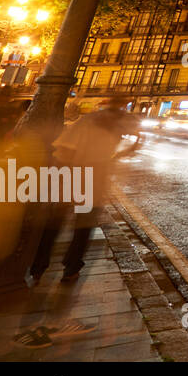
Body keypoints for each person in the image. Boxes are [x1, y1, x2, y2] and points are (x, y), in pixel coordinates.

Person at [30, 97, 140, 283]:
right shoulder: (114, 125)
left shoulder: (88, 121)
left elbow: (65, 148)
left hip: (74, 173)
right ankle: (70, 268)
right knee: (81, 226)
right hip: (92, 177)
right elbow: (134, 131)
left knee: (55, 223)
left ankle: (39, 267)